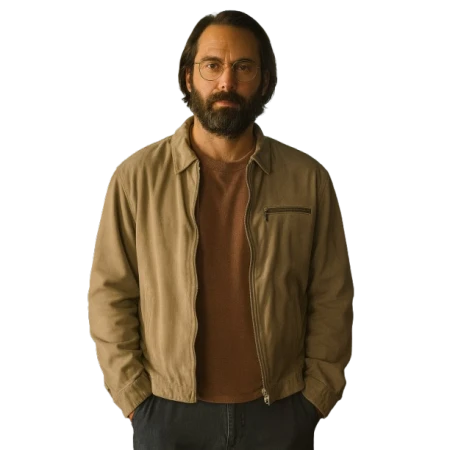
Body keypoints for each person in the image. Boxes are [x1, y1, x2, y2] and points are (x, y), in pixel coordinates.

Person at [88, 9, 354, 450]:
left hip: (282, 413)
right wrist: (135, 399)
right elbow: (110, 292)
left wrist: (315, 398)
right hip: (167, 414)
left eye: (243, 67)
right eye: (212, 65)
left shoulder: (306, 180)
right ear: (188, 76)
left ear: (264, 81)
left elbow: (331, 294)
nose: (226, 82)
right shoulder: (136, 179)